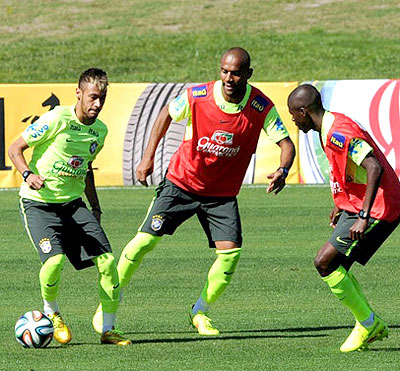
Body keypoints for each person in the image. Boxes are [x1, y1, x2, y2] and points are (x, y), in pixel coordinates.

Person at [92, 47, 295, 336]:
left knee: (231, 255)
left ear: (248, 74)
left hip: (221, 195)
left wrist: (283, 170)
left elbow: (286, 144)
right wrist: (148, 157)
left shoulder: (261, 106)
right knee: (143, 243)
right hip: (181, 184)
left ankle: (199, 311)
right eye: (224, 71)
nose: (228, 77)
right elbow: (165, 114)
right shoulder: (198, 96)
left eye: (235, 73)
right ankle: (108, 303)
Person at [8, 68, 131, 346]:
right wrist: (28, 175)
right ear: (79, 93)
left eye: (102, 98)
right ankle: (51, 313)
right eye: (93, 97)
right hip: (38, 204)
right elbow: (15, 148)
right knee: (54, 261)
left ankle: (109, 329)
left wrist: (96, 207)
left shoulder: (100, 131)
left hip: (74, 206)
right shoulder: (56, 119)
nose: (97, 104)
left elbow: (87, 169)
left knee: (108, 261)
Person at [287, 84, 400, 352]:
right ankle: (367, 322)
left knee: (324, 262)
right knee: (334, 267)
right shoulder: (326, 127)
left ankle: (368, 323)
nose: (292, 119)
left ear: (304, 111)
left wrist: (361, 216)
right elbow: (348, 170)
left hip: (378, 207)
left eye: (293, 114)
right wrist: (341, 203)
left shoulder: (338, 132)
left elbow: (373, 167)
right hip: (360, 205)